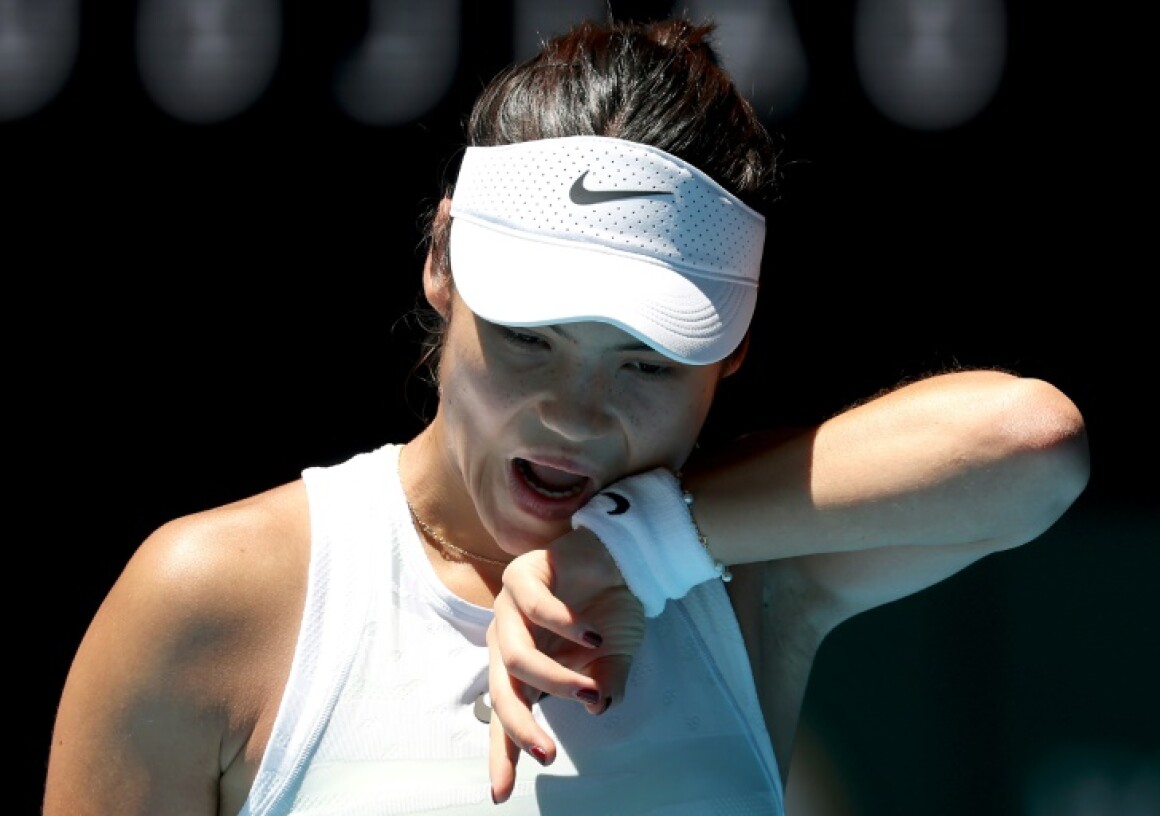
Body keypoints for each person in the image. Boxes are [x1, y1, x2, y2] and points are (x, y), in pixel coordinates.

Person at [42, 15, 1091, 816]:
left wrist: (646, 551)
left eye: (642, 362)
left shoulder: (753, 580)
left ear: (734, 349)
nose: (575, 415)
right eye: (530, 339)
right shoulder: (210, 599)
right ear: (440, 262)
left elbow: (1031, 445)